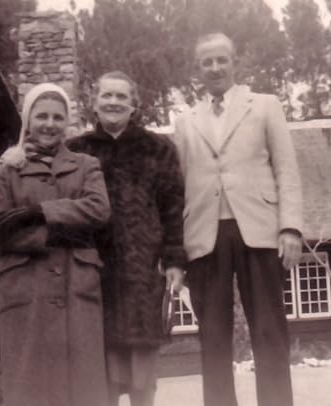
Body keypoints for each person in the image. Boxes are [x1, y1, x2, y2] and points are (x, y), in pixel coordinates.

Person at [173, 32, 303, 406]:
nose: (215, 68)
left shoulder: (265, 105)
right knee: (212, 335)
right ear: (197, 69)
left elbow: (286, 169)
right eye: (207, 62)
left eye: (222, 59)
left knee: (269, 330)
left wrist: (290, 226)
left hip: (259, 230)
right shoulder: (185, 121)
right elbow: (178, 187)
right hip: (204, 234)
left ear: (234, 62)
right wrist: (176, 251)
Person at [0, 83, 111, 406]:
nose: (49, 124)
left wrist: (39, 212)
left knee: (82, 387)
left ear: (67, 122)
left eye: (58, 117)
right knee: (29, 386)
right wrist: (61, 233)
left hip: (77, 284)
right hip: (26, 287)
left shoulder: (86, 165)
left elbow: (99, 209)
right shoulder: (6, 169)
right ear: (28, 120)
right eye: (42, 116)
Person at [66, 70, 186, 406]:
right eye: (107, 95)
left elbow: (173, 208)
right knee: (98, 371)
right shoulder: (76, 150)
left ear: (135, 105)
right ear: (94, 103)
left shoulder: (158, 149)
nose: (114, 102)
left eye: (122, 96)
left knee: (141, 374)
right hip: (92, 271)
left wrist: (174, 261)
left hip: (143, 272)